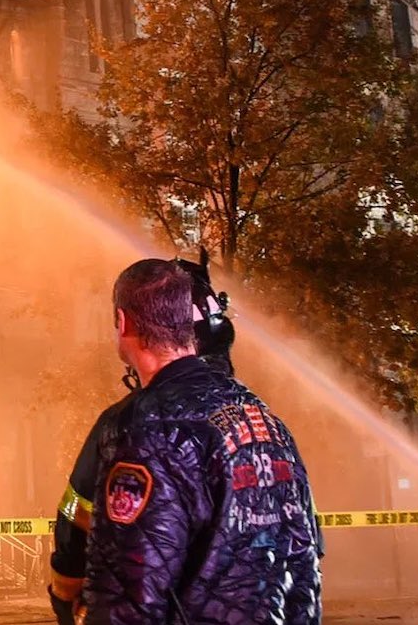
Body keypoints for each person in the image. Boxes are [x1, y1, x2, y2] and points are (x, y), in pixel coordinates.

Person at [80, 257, 321, 624]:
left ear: (123, 322)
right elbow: (305, 562)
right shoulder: (265, 420)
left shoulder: (148, 429)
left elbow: (128, 596)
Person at [49, 256, 238, 624]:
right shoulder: (262, 423)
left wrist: (66, 593)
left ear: (124, 323)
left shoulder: (130, 425)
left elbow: (77, 524)